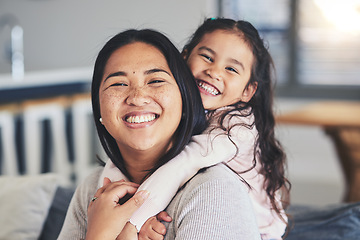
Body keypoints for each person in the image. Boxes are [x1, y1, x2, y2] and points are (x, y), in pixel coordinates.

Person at [58, 28, 261, 240]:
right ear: (99, 109)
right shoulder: (93, 189)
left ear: (185, 100)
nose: (137, 97)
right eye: (118, 83)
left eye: (155, 81)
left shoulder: (214, 190)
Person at [102, 18, 290, 240]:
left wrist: (133, 221)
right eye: (207, 57)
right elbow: (126, 161)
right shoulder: (179, 107)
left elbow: (180, 166)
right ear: (184, 58)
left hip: (259, 231)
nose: (214, 71)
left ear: (247, 91)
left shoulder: (236, 129)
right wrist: (105, 200)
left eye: (231, 68)